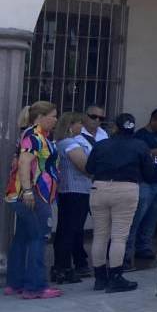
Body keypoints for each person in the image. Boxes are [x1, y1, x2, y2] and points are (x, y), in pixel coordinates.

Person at [86, 114, 153, 292]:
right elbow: (149, 172)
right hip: (127, 189)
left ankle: (99, 278)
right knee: (119, 236)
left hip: (99, 188)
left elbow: (89, 168)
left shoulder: (101, 145)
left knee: (100, 235)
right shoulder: (140, 145)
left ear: (115, 127)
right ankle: (115, 277)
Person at [4, 101, 62, 299]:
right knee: (38, 238)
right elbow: (24, 163)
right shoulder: (35, 136)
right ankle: (35, 286)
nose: (56, 119)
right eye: (53, 116)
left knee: (22, 237)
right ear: (40, 117)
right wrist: (28, 191)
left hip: (25, 195)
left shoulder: (32, 135)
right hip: (34, 195)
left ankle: (15, 282)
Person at [126, 107, 157, 263]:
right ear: (153, 120)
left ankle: (144, 247)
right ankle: (127, 251)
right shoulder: (141, 136)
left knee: (152, 217)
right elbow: (143, 154)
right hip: (146, 183)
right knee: (137, 217)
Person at [52, 112, 92, 284]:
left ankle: (62, 267)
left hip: (68, 191)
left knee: (66, 229)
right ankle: (64, 268)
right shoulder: (70, 143)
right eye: (79, 124)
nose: (81, 128)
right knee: (70, 230)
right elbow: (85, 166)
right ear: (70, 125)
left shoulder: (60, 142)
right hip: (76, 190)